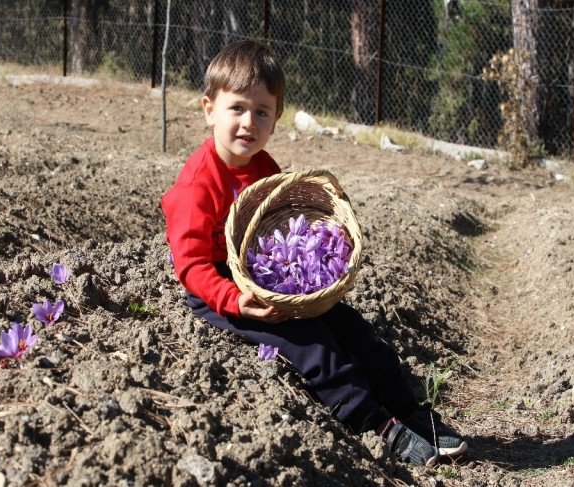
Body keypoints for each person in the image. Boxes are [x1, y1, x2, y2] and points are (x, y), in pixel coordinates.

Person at [161, 39, 467, 467]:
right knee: (313, 345)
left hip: (269, 277)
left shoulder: (265, 168)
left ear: (276, 118)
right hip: (222, 288)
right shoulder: (198, 185)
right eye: (237, 108)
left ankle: (410, 411)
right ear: (209, 108)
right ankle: (375, 424)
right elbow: (189, 264)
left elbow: (285, 225)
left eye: (262, 112)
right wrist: (236, 302)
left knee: (355, 330)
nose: (249, 122)